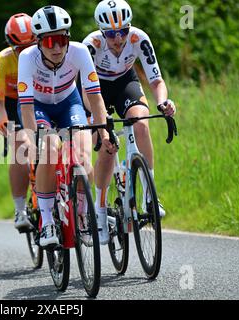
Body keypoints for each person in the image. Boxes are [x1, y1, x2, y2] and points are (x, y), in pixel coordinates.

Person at [18, 5, 113, 247]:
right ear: (39, 42)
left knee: (82, 154)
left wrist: (103, 131)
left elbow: (94, 97)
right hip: (39, 107)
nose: (57, 48)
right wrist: (31, 142)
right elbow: (27, 108)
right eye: (50, 42)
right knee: (49, 148)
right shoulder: (27, 58)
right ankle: (48, 220)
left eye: (61, 40)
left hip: (69, 102)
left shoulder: (80, 52)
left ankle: (82, 214)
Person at [82, 0, 177, 244]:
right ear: (102, 32)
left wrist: (163, 102)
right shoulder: (90, 45)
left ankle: (149, 195)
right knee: (107, 145)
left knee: (141, 123)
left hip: (125, 83)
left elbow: (156, 80)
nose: (118, 39)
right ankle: (100, 213)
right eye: (112, 34)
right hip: (95, 89)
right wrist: (96, 118)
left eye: (123, 31)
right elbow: (84, 88)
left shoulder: (138, 39)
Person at [0, 13, 36, 231]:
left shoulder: (45, 54)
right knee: (21, 146)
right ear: (10, 45)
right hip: (12, 106)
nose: (27, 51)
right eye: (20, 48)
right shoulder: (1, 61)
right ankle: (20, 209)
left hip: (38, 101)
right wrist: (5, 126)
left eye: (32, 44)